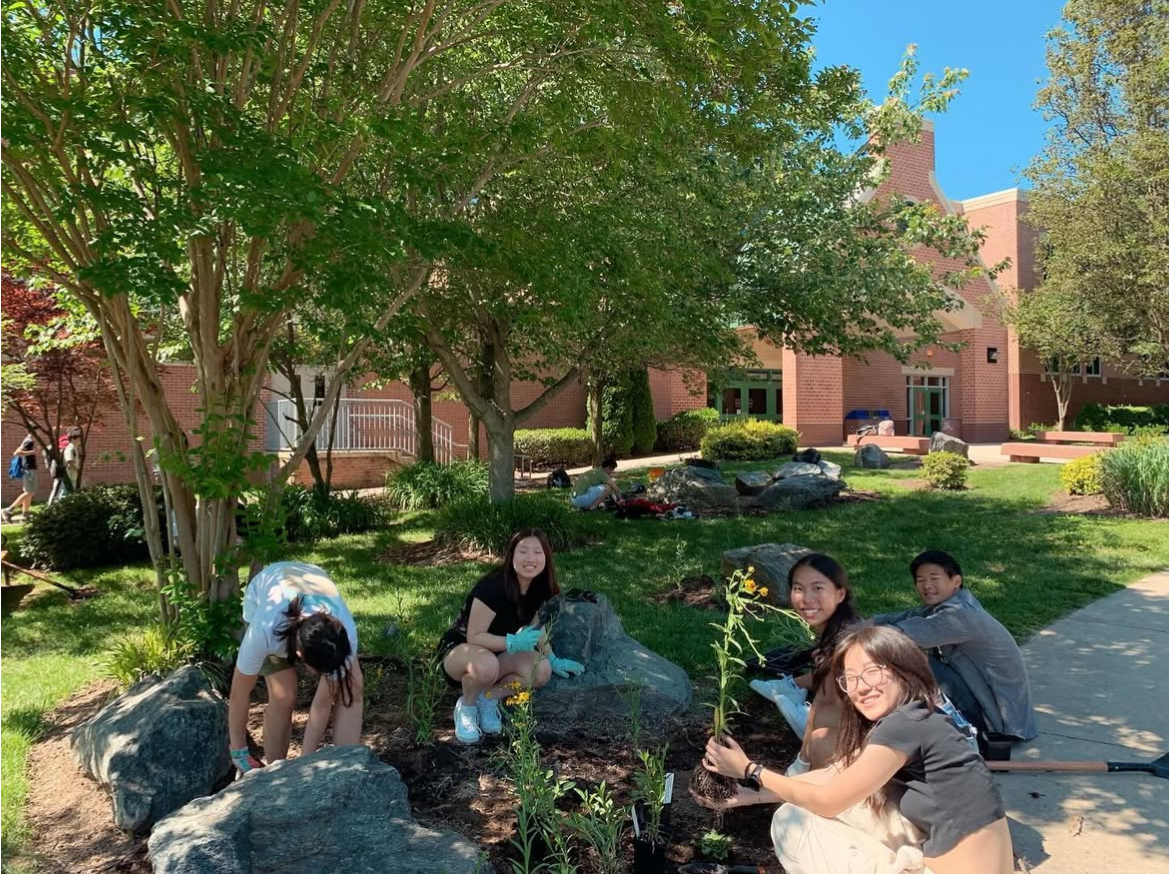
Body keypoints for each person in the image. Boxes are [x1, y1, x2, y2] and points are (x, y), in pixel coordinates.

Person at [696, 624, 1014, 874]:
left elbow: (831, 800)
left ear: (903, 668)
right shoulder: (923, 715)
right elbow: (836, 776)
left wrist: (751, 770)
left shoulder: (905, 724)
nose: (860, 687)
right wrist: (755, 795)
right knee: (862, 800)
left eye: (872, 671)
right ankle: (905, 858)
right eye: (849, 679)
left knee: (791, 822)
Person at [438, 528, 584, 744]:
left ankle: (487, 699)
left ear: (546, 556)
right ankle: (466, 706)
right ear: (511, 556)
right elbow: (474, 637)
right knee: (486, 665)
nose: (530, 559)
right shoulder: (493, 587)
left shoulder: (541, 587)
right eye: (523, 551)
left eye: (537, 552)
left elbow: (537, 628)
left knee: (541, 670)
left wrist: (552, 658)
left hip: (500, 652)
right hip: (461, 652)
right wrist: (513, 642)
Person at [873, 550, 1036, 741]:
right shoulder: (954, 606)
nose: (927, 586)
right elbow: (903, 618)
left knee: (909, 656)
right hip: (993, 706)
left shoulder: (959, 617)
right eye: (920, 580)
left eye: (934, 578)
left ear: (956, 581)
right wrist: (860, 624)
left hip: (998, 722)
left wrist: (852, 635)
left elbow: (895, 637)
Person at [227, 561, 363, 774]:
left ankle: (345, 767)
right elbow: (239, 693)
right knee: (285, 696)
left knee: (352, 687)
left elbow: (321, 705)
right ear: (300, 656)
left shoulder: (343, 635)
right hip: (265, 592)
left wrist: (304, 764)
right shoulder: (263, 631)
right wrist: (239, 752)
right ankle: (275, 772)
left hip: (309, 577)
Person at [750, 553, 861, 771]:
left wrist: (802, 761)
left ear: (840, 594)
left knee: (821, 741)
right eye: (799, 588)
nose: (806, 598)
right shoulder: (842, 628)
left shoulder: (847, 643)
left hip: (882, 747)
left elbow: (829, 704)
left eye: (818, 588)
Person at [3, 435, 39, 522]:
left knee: (28, 492)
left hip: (29, 469)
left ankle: (25, 514)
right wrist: (32, 452)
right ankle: (8, 510)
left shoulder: (27, 440)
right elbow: (17, 453)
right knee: (29, 492)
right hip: (29, 469)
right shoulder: (28, 441)